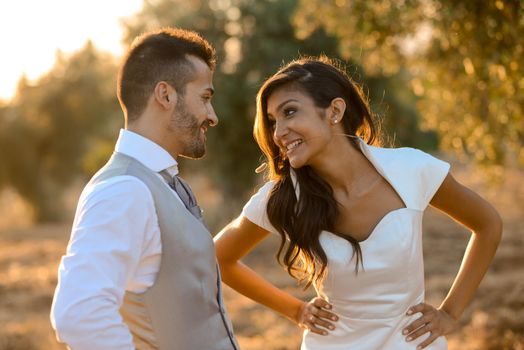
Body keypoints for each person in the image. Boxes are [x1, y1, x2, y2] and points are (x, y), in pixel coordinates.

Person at [214, 57, 502, 349]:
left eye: (290, 112)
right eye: (273, 121)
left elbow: (488, 224)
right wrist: (296, 310)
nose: (278, 133)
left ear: (335, 111)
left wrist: (450, 312)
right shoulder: (283, 198)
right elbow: (218, 258)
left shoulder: (411, 170)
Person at [50, 28, 239, 350]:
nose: (213, 116)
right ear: (165, 95)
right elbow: (79, 314)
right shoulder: (124, 190)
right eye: (205, 98)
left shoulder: (159, 182)